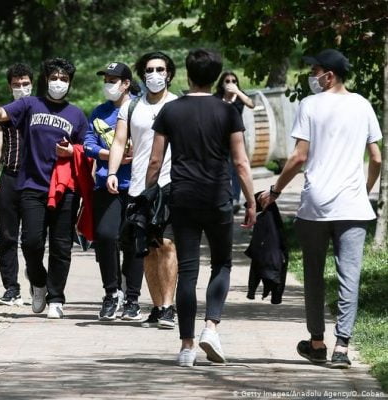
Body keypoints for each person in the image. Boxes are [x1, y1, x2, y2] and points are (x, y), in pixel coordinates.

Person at [259, 49, 382, 369]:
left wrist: (275, 190)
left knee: (313, 275)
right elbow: (376, 158)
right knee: (349, 276)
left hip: (316, 205)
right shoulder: (363, 105)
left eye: (314, 72)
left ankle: (316, 343)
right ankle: (342, 347)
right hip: (353, 207)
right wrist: (363, 190)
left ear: (329, 75)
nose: (311, 77)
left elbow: (299, 157)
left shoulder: (310, 105)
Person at [145, 49, 256, 367]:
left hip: (183, 197)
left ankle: (186, 347)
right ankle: (211, 327)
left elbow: (155, 160)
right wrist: (251, 200)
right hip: (218, 196)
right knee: (221, 264)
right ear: (216, 76)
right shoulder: (227, 112)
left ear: (187, 74)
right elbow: (240, 162)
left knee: (188, 271)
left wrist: (148, 194)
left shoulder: (170, 110)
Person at [0, 58, 88, 319]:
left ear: (70, 83)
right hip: (31, 185)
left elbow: (86, 148)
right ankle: (38, 281)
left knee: (61, 245)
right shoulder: (30, 104)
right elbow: (1, 114)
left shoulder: (77, 114)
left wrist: (72, 151)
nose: (58, 83)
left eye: (64, 79)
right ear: (46, 80)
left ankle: (56, 297)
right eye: (54, 78)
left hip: (65, 188)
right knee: (31, 242)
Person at [107, 52, 179, 327]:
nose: (155, 75)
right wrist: (112, 172)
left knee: (167, 245)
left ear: (169, 74)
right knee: (148, 250)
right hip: (139, 188)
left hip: (169, 185)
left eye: (160, 69)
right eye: (149, 70)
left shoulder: (177, 105)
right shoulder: (131, 107)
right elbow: (119, 141)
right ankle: (158, 307)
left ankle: (169, 306)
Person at [83, 62, 142, 321]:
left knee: (133, 242)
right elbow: (88, 144)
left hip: (138, 185)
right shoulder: (100, 112)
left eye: (113, 80)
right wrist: (110, 155)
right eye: (106, 80)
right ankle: (111, 292)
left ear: (126, 83)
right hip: (106, 184)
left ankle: (132, 298)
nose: (108, 84)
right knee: (106, 237)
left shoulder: (141, 109)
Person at [0, 63, 34, 306]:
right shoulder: (3, 115)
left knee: (32, 238)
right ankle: (11, 288)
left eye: (25, 84)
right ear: (9, 87)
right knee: (7, 236)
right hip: (10, 176)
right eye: (16, 84)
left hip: (35, 180)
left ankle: (36, 276)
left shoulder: (40, 111)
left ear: (32, 84)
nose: (21, 88)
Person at [214, 71, 255, 213]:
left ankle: (236, 199)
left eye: (233, 81)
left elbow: (251, 104)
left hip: (236, 138)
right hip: (219, 137)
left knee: (237, 169)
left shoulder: (239, 97)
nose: (230, 83)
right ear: (222, 84)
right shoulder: (217, 98)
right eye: (227, 81)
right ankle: (224, 198)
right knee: (221, 168)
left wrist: (237, 91)